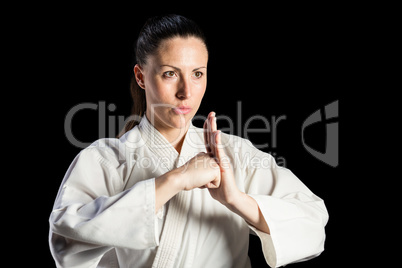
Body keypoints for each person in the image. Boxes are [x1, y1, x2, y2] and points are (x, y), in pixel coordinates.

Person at [49, 14, 329, 268]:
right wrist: (175, 180)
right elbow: (65, 239)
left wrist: (236, 200)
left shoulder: (236, 155)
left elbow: (313, 222)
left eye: (197, 74)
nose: (186, 92)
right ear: (141, 76)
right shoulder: (107, 158)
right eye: (170, 73)